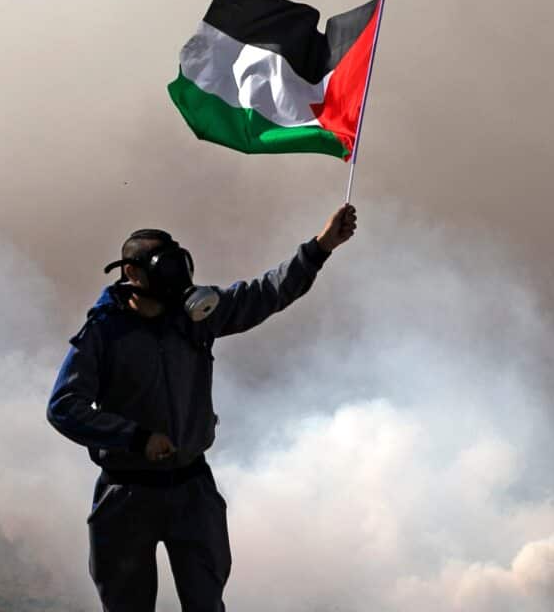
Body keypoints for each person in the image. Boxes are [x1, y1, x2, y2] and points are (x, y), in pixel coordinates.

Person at [46, 203, 358, 612]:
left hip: (192, 488)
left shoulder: (195, 317)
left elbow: (267, 293)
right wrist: (135, 438)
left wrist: (320, 247)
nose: (176, 277)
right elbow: (64, 406)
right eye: (164, 267)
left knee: (206, 603)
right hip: (127, 495)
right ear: (132, 274)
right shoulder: (104, 333)